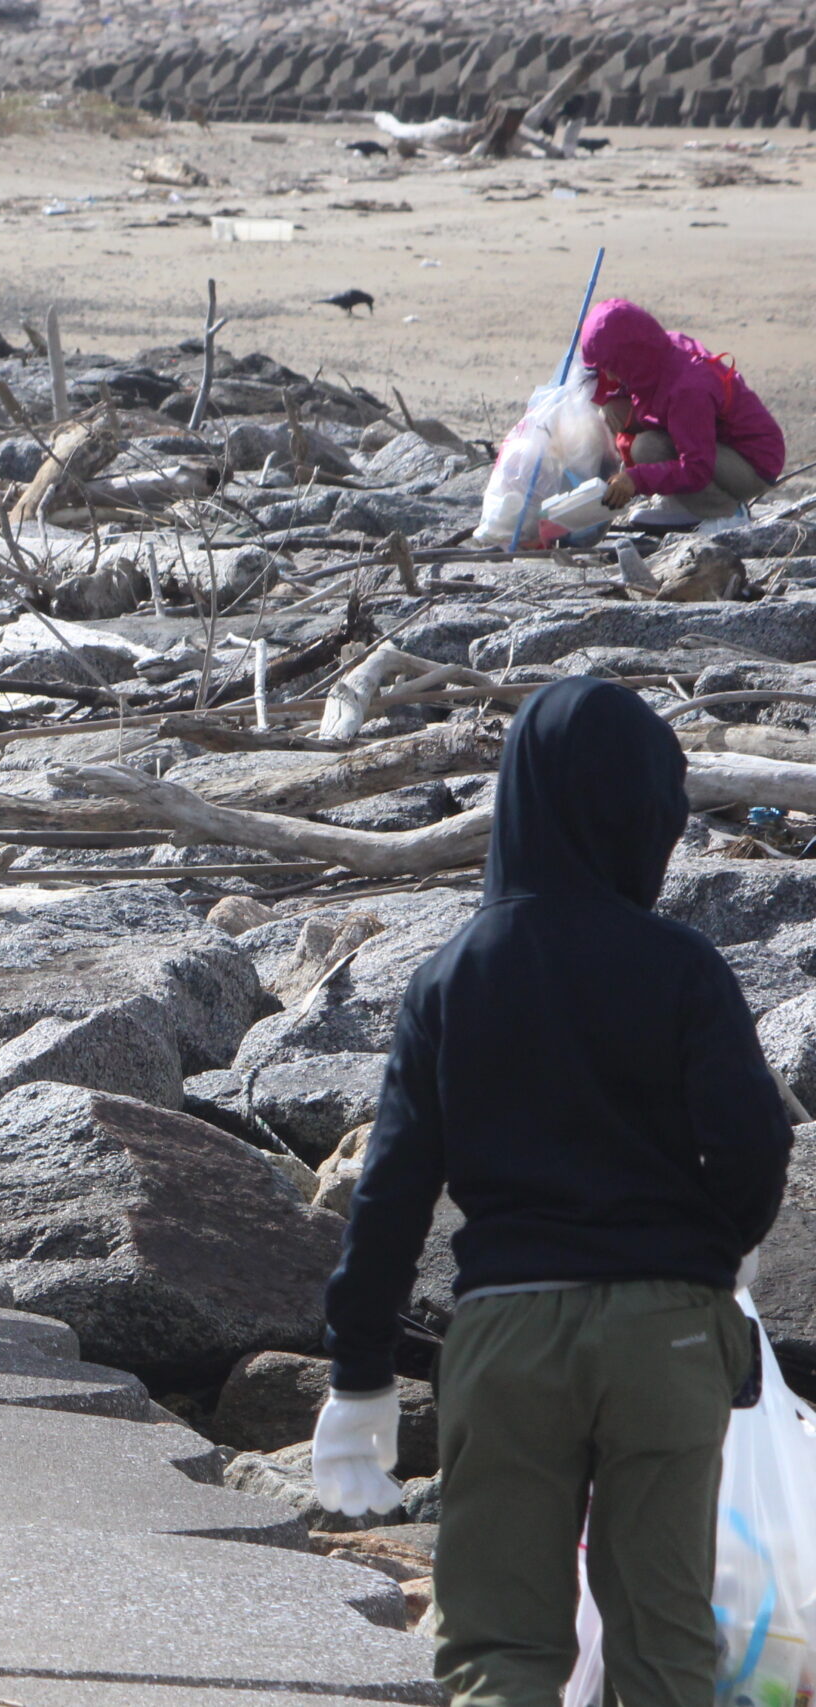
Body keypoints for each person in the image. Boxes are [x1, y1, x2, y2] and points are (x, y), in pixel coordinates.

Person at [313, 677, 789, 1707]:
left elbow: (389, 1190)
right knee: (665, 1651)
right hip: (666, 1334)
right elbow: (754, 1144)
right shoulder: (681, 967)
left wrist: (357, 1378)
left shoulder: (452, 975)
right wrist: (721, 1247)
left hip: (508, 1334)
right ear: (644, 815)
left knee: (498, 1649)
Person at [582, 298, 787, 523]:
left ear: (630, 358)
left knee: (647, 448)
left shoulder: (688, 389)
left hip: (752, 463)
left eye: (614, 368)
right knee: (612, 414)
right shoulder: (657, 349)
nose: (610, 376)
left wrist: (636, 479)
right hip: (712, 439)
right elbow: (633, 392)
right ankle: (681, 503)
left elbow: (697, 468)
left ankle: (725, 513)